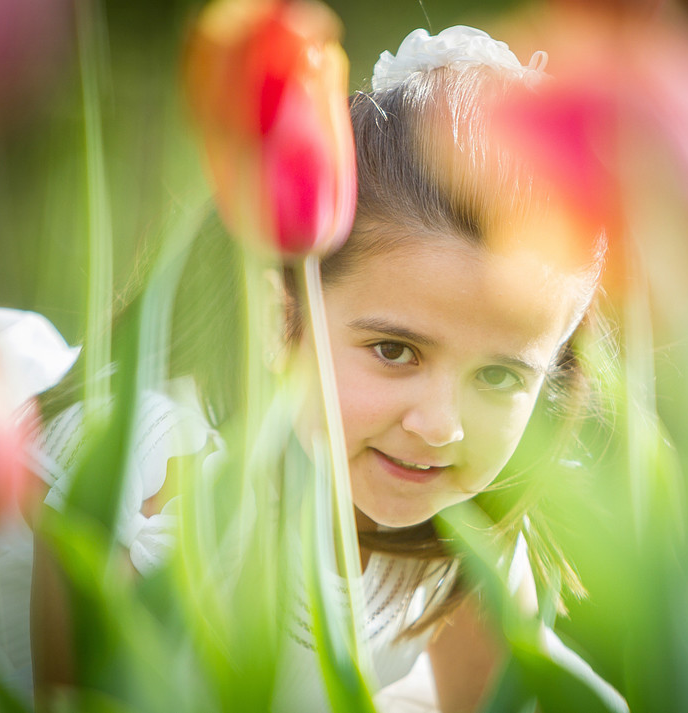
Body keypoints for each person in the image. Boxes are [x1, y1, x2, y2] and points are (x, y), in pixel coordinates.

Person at [32, 25, 627, 713]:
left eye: (499, 377)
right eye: (395, 351)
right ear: (280, 315)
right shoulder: (144, 481)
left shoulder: (468, 530)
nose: (438, 427)